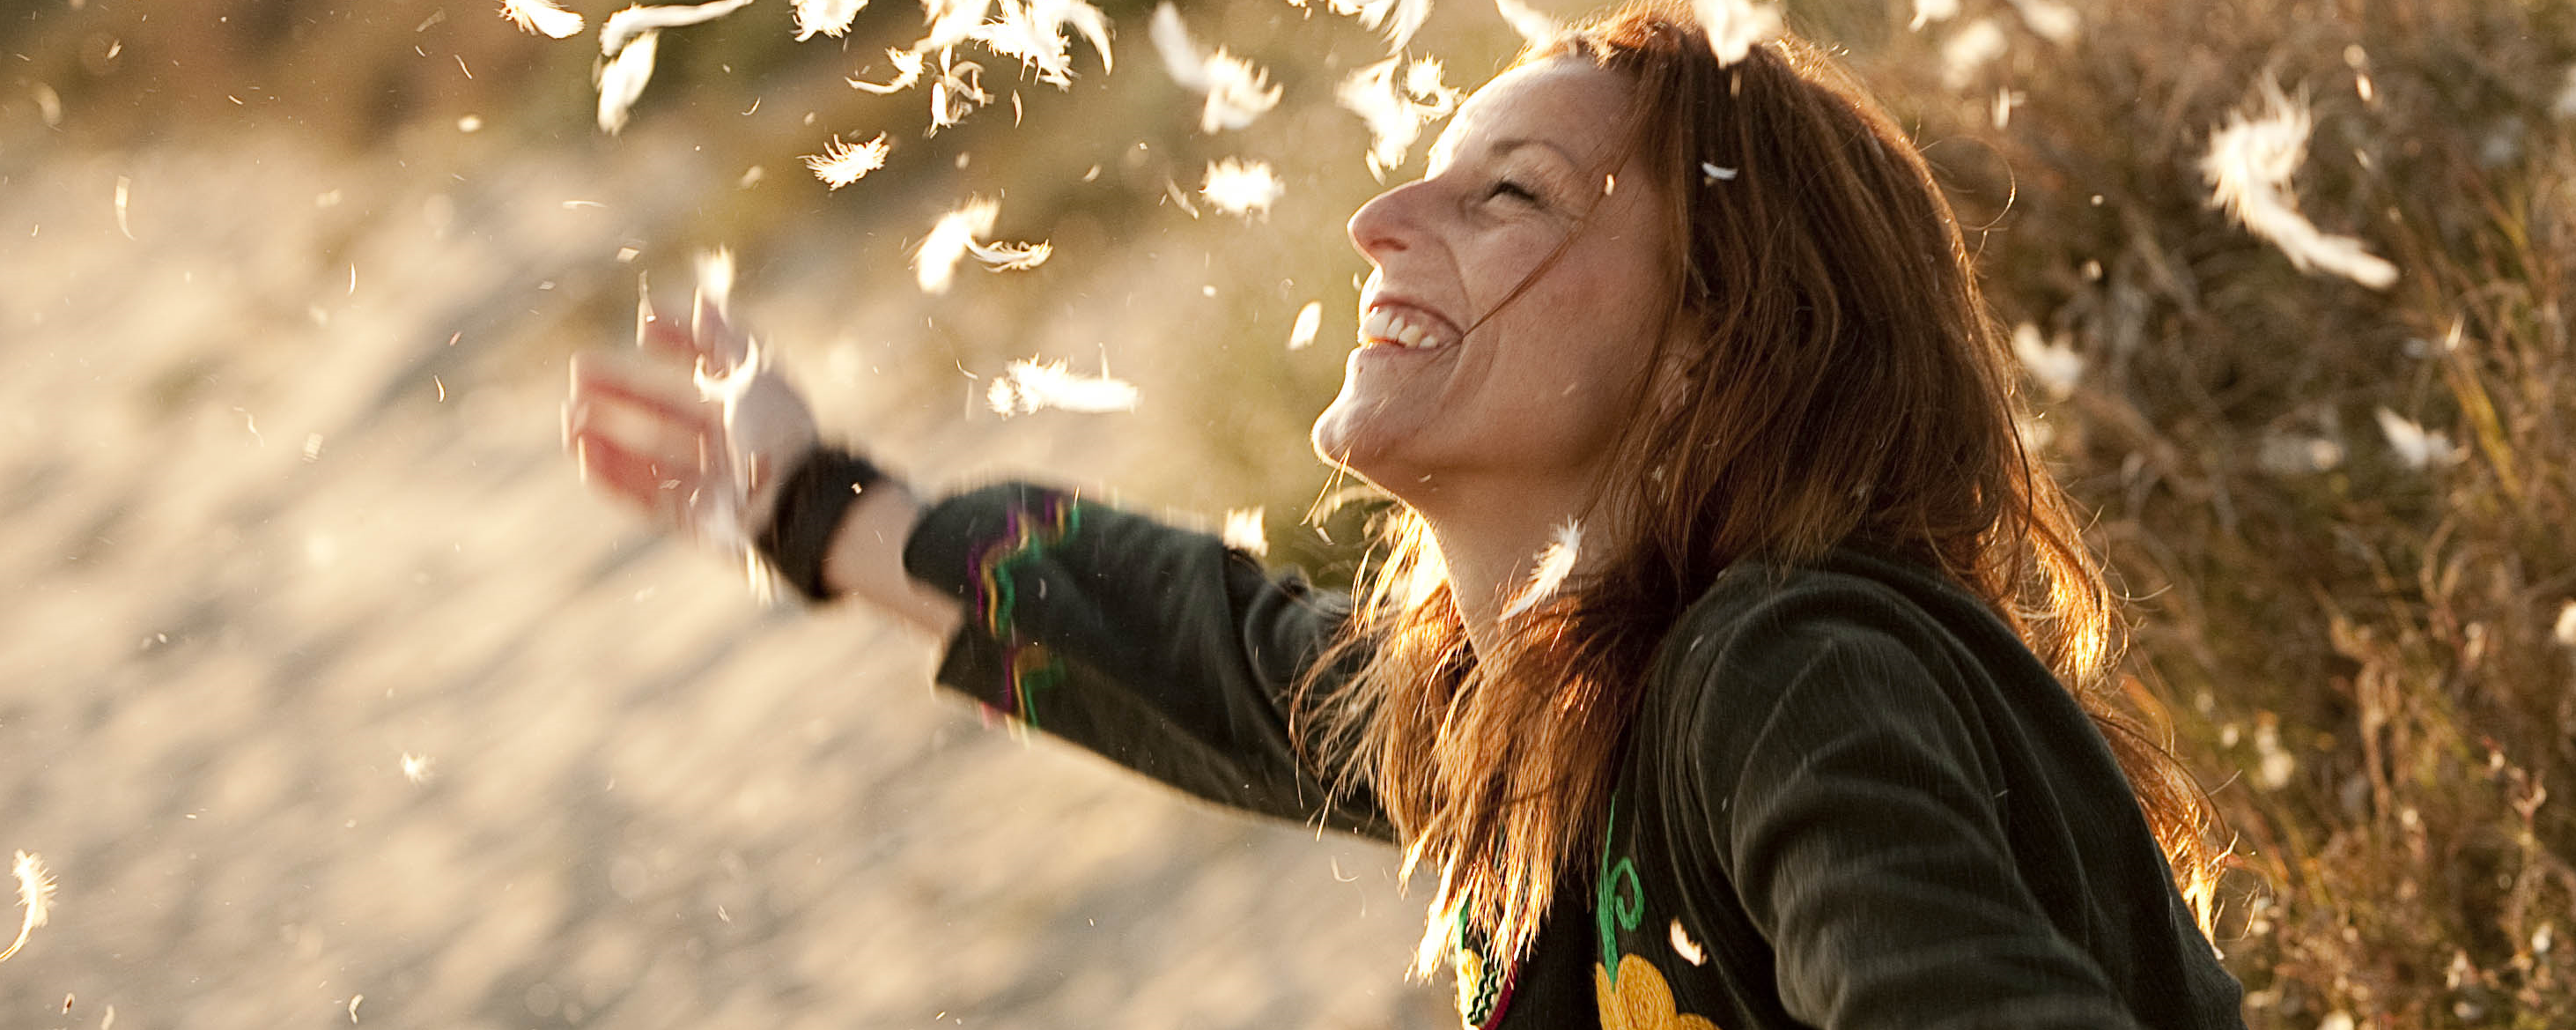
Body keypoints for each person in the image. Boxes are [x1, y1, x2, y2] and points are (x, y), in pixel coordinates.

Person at [563, 4, 2250, 1026]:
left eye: (1503, 194)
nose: (1377, 219)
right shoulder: (1566, 714)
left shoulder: (1787, 676)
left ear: (1714, 346)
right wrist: (812, 509)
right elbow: (1224, 664)